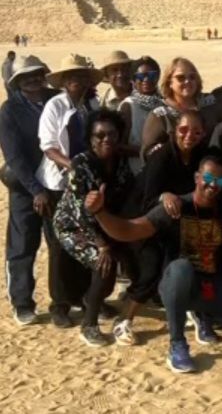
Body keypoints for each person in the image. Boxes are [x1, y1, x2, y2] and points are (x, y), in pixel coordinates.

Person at [86, 151, 222, 373]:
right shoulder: (175, 207)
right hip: (177, 283)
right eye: (208, 179)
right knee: (181, 268)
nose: (213, 186)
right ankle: (177, 344)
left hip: (211, 287)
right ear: (197, 178)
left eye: (219, 181)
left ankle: (203, 315)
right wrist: (100, 212)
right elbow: (129, 230)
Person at [53, 109, 136, 346]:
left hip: (106, 222)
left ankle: (94, 300)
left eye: (111, 134)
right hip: (73, 226)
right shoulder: (81, 164)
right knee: (104, 264)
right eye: (99, 136)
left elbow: (127, 196)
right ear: (90, 139)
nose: (106, 139)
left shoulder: (121, 163)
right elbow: (80, 211)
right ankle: (88, 324)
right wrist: (103, 245)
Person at [36, 54, 102, 327]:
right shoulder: (55, 106)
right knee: (59, 246)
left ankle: (86, 296)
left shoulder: (90, 106)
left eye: (82, 76)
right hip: (58, 184)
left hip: (83, 183)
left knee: (86, 239)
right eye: (73, 77)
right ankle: (60, 304)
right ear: (64, 81)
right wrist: (73, 165)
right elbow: (49, 146)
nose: (79, 81)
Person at [0, 55, 56, 325]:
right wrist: (36, 190)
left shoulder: (55, 99)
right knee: (23, 245)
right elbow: (14, 157)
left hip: (56, 185)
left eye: (37, 74)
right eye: (27, 76)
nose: (34, 80)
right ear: (18, 80)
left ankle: (65, 299)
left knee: (60, 245)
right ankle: (22, 302)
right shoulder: (10, 110)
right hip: (26, 189)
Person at [140, 58, 216, 159]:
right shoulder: (160, 115)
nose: (187, 81)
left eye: (192, 77)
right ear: (169, 82)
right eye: (180, 78)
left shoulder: (210, 104)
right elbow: (147, 152)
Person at [141, 109, 208, 212]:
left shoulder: (204, 156)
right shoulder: (161, 157)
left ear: (203, 134)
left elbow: (214, 180)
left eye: (197, 132)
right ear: (176, 130)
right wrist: (164, 196)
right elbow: (148, 200)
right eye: (183, 130)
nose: (189, 135)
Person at [118, 56, 162, 175]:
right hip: (136, 172)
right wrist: (146, 152)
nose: (146, 80)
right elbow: (118, 146)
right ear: (133, 80)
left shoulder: (164, 103)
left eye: (151, 75)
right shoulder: (128, 106)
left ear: (157, 77)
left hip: (161, 168)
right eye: (140, 76)